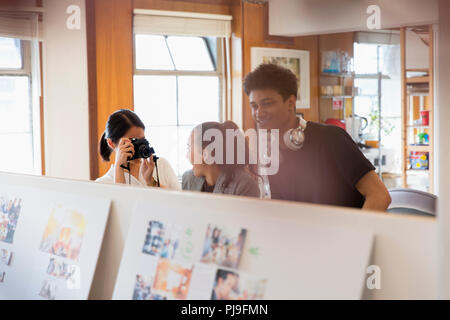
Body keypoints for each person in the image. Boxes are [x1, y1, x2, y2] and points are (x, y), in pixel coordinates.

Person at [243, 63, 391, 211]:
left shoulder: (331, 138)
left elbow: (379, 195)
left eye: (267, 104)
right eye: (254, 106)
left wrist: (356, 233)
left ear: (291, 103)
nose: (259, 112)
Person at [96, 109, 180, 189]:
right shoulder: (103, 184)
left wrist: (151, 182)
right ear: (111, 143)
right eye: (132, 141)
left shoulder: (160, 165)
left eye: (142, 140)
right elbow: (123, 202)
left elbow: (179, 201)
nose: (138, 146)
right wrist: (119, 168)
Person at [182, 121, 260, 198]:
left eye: (189, 148)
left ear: (206, 154)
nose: (186, 156)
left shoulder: (244, 186)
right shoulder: (188, 180)